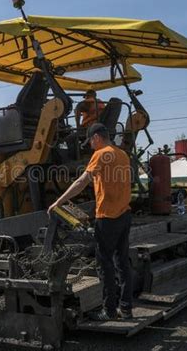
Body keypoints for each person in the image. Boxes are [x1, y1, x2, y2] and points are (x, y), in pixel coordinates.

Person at [48, 122, 133, 321]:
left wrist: (59, 201)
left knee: (105, 265)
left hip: (108, 218)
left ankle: (109, 311)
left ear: (96, 137)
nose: (90, 146)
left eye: (91, 142)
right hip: (124, 214)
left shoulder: (101, 154)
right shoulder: (122, 154)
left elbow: (81, 182)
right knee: (122, 262)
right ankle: (126, 309)